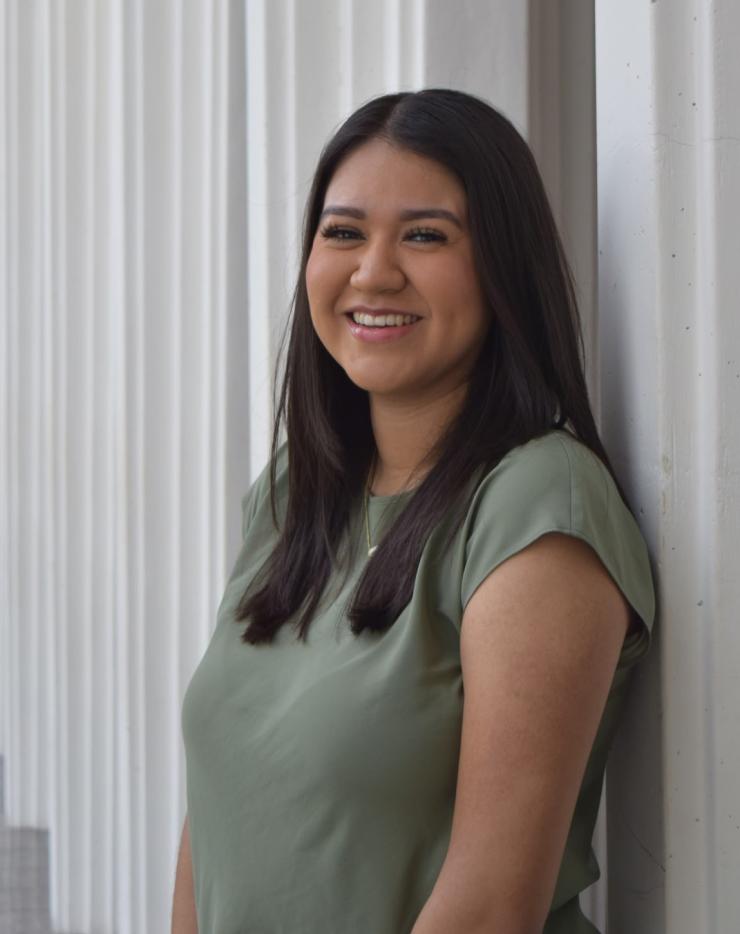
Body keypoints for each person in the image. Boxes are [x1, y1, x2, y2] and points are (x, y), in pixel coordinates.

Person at [171, 88, 655, 934]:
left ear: (503, 266)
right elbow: (215, 831)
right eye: (343, 232)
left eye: (425, 235)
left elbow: (490, 907)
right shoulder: (294, 490)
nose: (372, 271)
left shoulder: (538, 504)